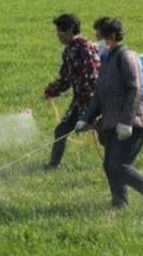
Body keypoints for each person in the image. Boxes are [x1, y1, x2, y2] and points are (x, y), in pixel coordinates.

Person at [75, 17, 143, 208]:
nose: (96, 41)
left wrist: (126, 121)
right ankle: (119, 204)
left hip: (133, 123)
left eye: (99, 36)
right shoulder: (106, 61)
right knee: (110, 166)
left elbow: (136, 88)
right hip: (112, 125)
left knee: (116, 165)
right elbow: (99, 95)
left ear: (112, 36)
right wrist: (85, 119)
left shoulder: (127, 57)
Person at [43, 13, 101, 169]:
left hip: (93, 102)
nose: (57, 35)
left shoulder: (85, 48)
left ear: (69, 30)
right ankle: (52, 166)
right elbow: (66, 78)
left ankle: (119, 165)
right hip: (79, 102)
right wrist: (51, 91)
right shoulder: (69, 51)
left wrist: (89, 110)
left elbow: (93, 77)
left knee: (105, 135)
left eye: (59, 31)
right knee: (61, 130)